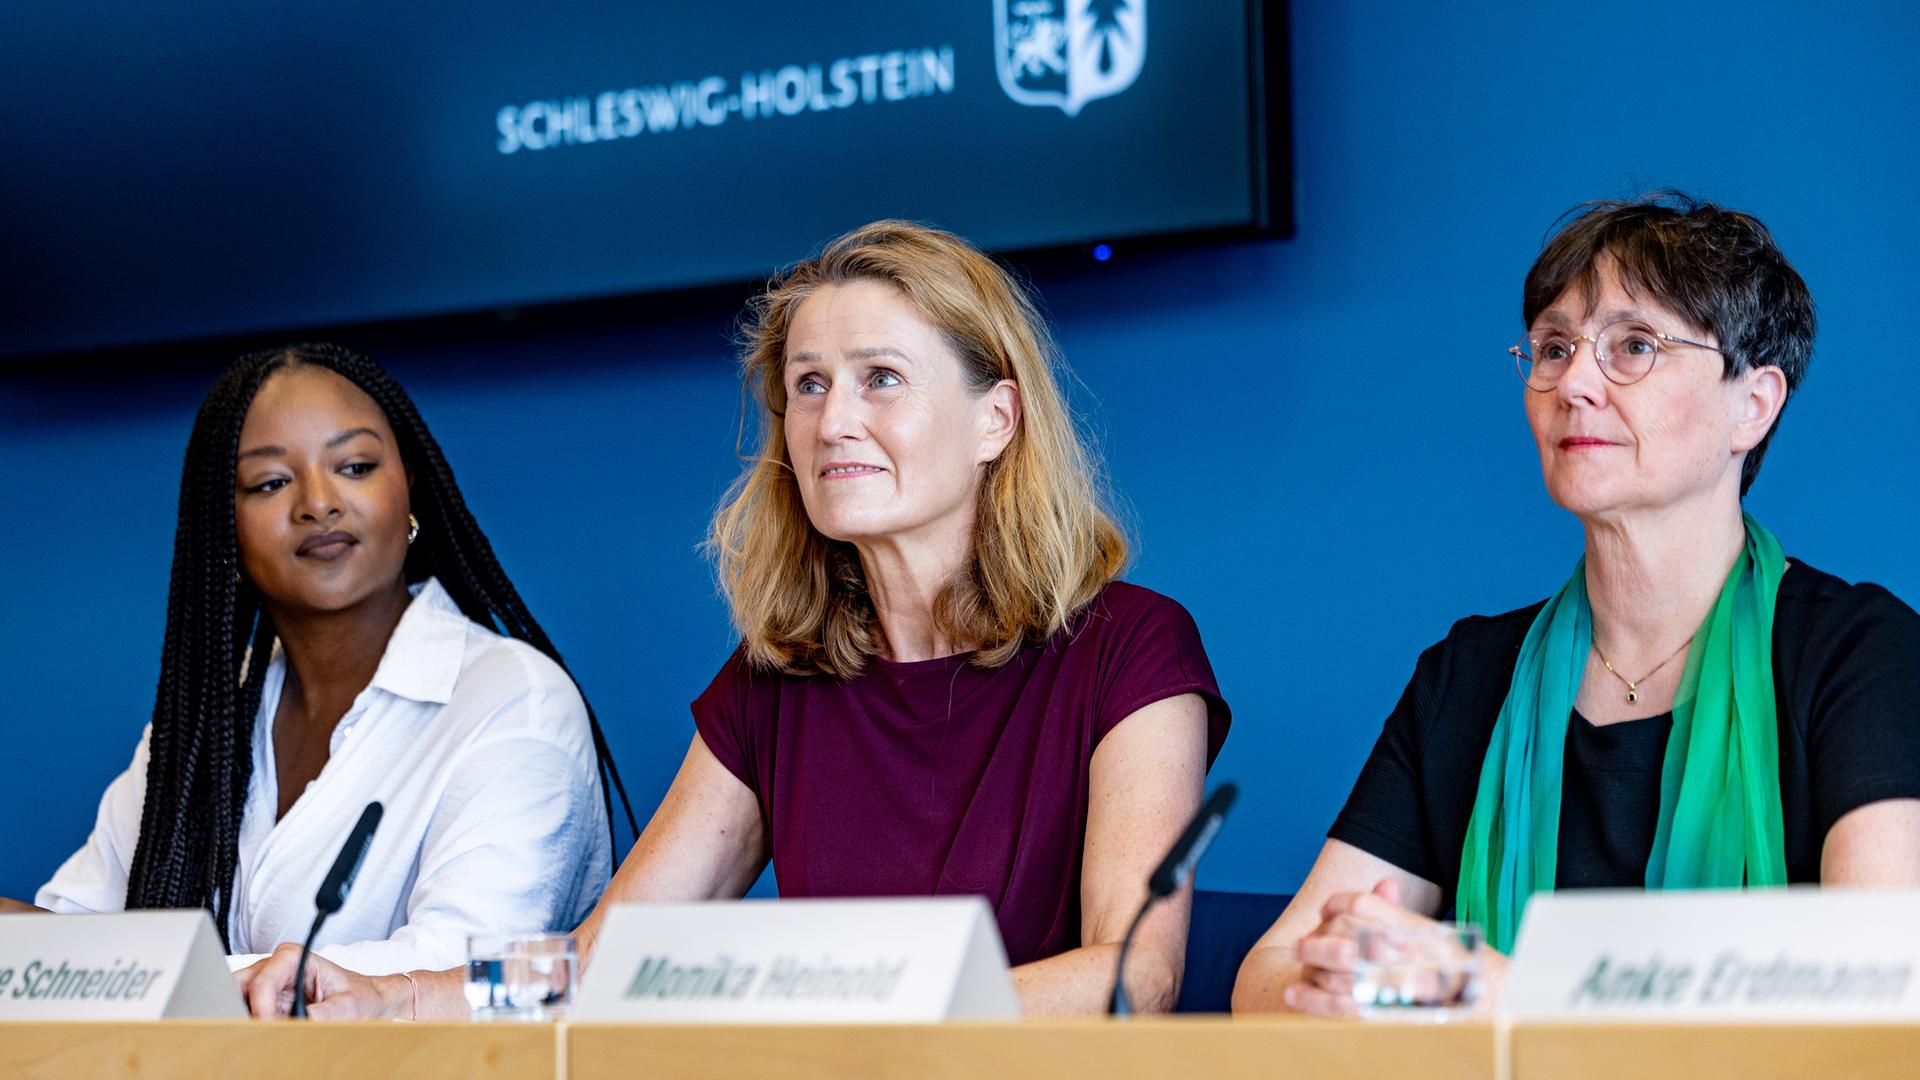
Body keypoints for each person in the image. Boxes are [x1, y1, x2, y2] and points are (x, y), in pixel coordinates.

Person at [234, 220, 1231, 1019]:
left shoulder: (1130, 648)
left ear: (994, 421)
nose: (833, 419)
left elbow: (1129, 978)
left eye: (880, 377)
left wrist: (844, 1019)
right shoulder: (775, 683)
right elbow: (599, 966)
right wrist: (394, 999)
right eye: (808, 384)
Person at [1233, 193, 1920, 1016]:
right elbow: (1267, 976)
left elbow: (1881, 991)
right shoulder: (1468, 676)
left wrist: (1501, 994)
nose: (1573, 384)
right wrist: (1363, 976)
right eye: (1554, 348)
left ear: (1754, 404)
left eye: (1634, 346)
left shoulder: (1859, 654)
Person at [0, 344, 632, 974]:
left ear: (408, 485)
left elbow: (462, 977)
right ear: (226, 525)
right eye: (271, 482)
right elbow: (71, 954)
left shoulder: (515, 701)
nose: (318, 503)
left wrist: (164, 978)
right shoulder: (207, 715)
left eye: (354, 466)